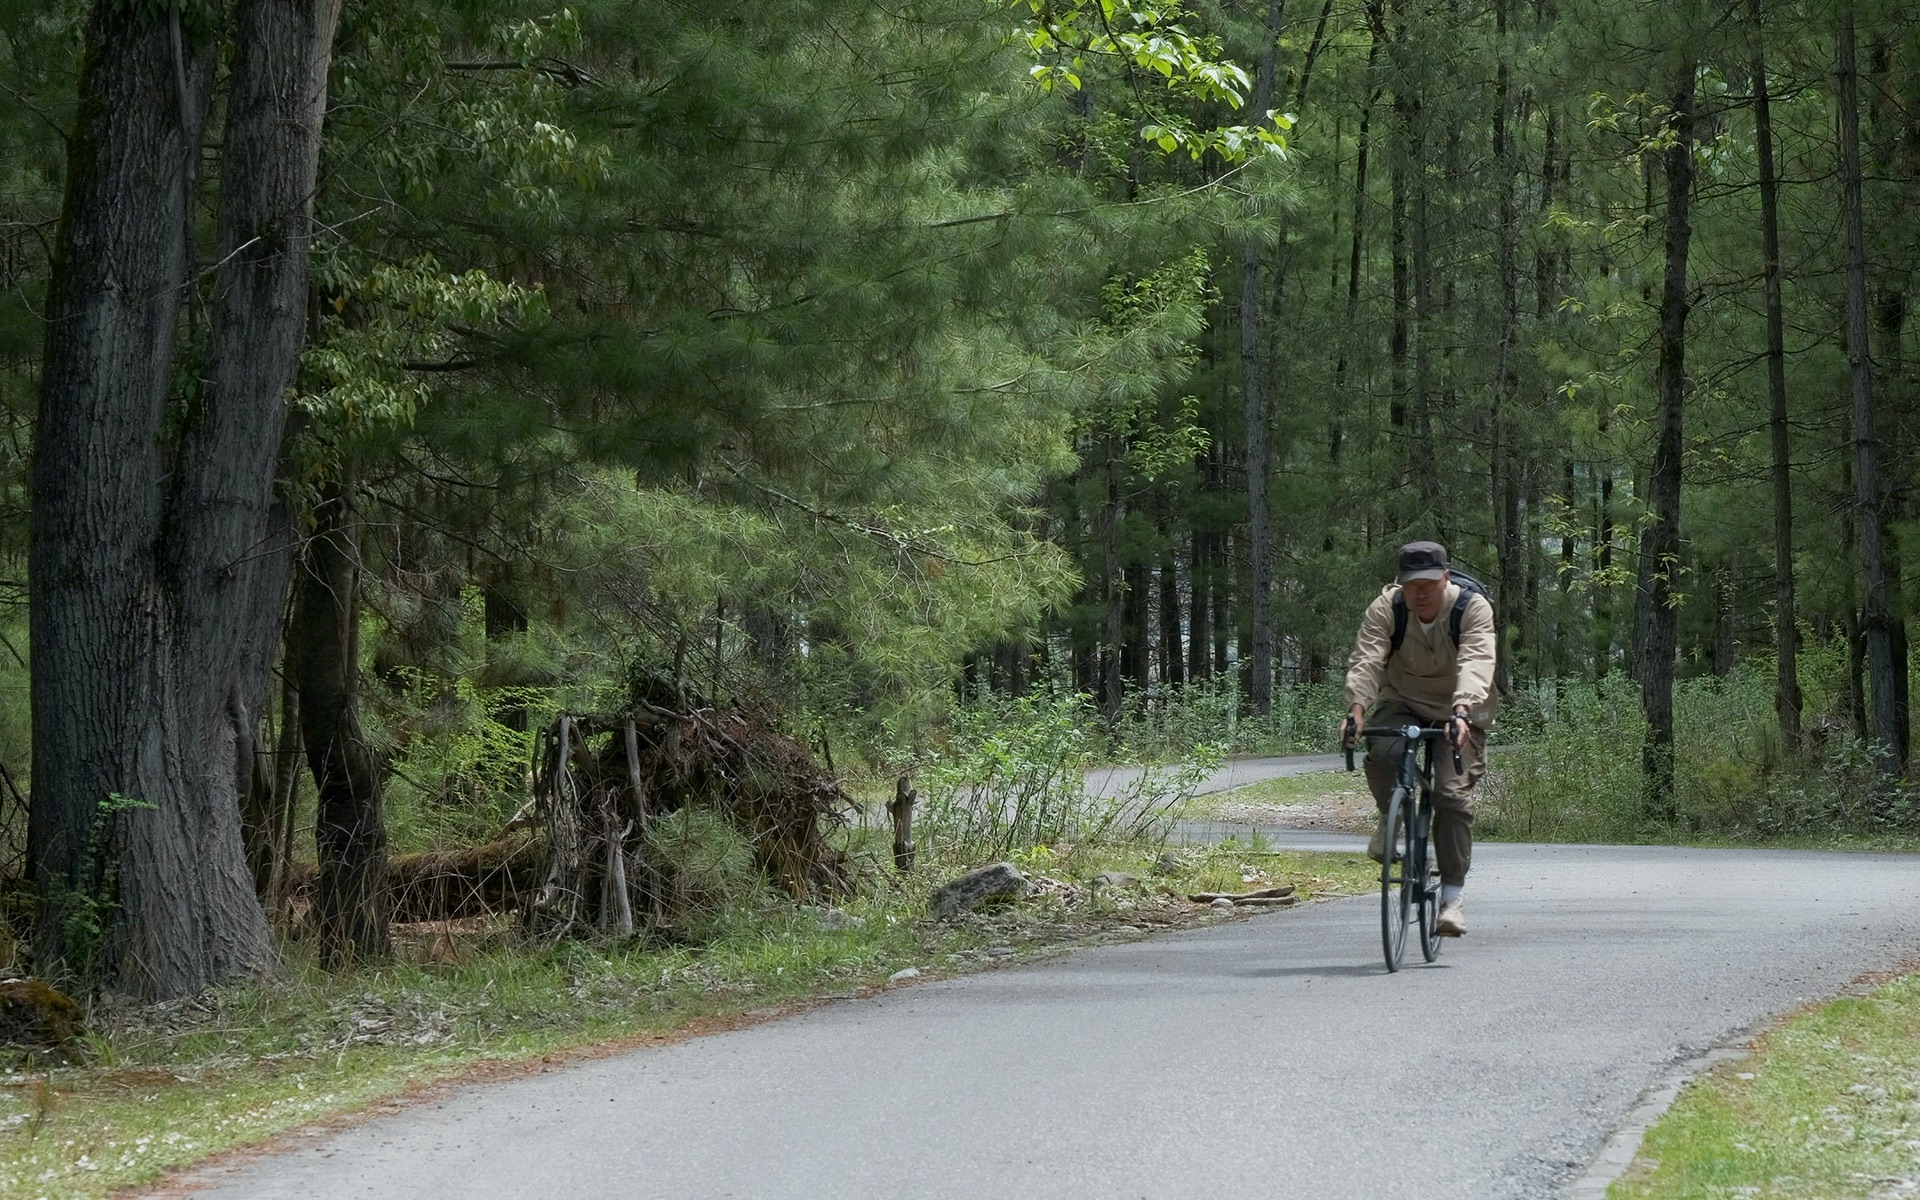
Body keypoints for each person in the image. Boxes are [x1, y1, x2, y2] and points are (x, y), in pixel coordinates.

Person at [1339, 540, 1496, 937]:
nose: (1420, 593)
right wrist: (1357, 710)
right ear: (1401, 583)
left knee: (1452, 795)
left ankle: (1452, 899)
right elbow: (1368, 658)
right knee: (1383, 753)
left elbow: (1477, 660)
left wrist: (1461, 711)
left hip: (1461, 706)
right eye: (1412, 585)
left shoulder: (1471, 608)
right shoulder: (1387, 608)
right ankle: (1390, 814)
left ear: (1445, 578)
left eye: (1429, 583)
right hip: (1403, 697)